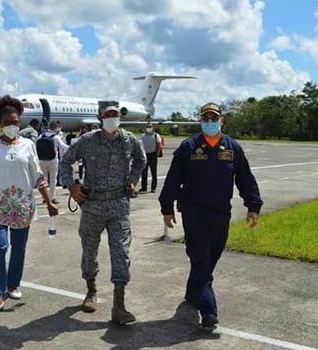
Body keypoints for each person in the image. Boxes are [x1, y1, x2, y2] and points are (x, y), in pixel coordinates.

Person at [158, 102, 263, 328]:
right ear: (200, 121)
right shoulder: (188, 148)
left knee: (210, 257)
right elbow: (174, 180)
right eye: (206, 118)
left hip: (220, 213)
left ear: (221, 120)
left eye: (213, 118)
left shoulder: (232, 148)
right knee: (201, 258)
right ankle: (208, 311)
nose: (210, 122)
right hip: (193, 213)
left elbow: (245, 178)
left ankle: (193, 292)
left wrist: (253, 205)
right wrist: (167, 207)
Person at [0, 95, 58, 315]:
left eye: (15, 122)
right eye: (8, 123)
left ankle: (13, 284)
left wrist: (48, 201)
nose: (12, 126)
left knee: (19, 248)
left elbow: (38, 176)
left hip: (22, 205)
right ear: (0, 123)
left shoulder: (28, 145)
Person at [60, 101, 146, 324]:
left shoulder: (129, 140)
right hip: (93, 206)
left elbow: (141, 161)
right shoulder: (87, 141)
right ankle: (91, 290)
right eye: (107, 114)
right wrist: (72, 186)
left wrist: (132, 180)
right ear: (99, 116)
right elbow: (65, 162)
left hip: (119, 205)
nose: (111, 118)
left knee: (121, 254)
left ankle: (119, 305)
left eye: (115, 114)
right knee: (89, 252)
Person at [37, 121, 69, 205]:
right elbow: (63, 147)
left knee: (44, 179)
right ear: (56, 127)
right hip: (52, 160)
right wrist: (72, 146)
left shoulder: (41, 136)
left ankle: (44, 198)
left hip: (41, 160)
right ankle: (51, 198)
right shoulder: (56, 137)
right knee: (53, 179)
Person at [139, 123, 162, 193]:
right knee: (144, 172)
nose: (148, 128)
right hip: (145, 155)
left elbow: (159, 144)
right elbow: (140, 145)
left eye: (150, 127)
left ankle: (153, 188)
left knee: (153, 172)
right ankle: (144, 187)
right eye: (147, 127)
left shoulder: (156, 135)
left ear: (152, 128)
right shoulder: (142, 136)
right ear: (145, 128)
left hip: (153, 155)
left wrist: (157, 153)